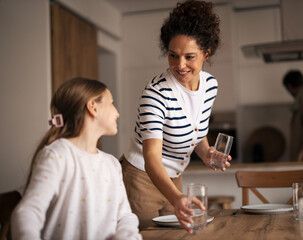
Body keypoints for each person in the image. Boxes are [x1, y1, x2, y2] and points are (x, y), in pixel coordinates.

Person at [120, 0, 231, 233]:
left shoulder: (210, 85)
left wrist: (206, 153)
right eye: (173, 55)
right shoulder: (156, 93)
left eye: (189, 57)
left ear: (206, 53)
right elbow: (151, 159)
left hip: (175, 179)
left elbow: (195, 130)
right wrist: (177, 197)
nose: (180, 65)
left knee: (175, 237)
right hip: (141, 179)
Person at [11, 78, 142, 240]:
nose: (117, 112)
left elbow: (125, 217)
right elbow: (28, 213)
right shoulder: (58, 155)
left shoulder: (112, 164)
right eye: (111, 103)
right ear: (93, 107)